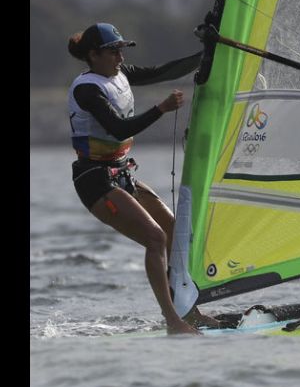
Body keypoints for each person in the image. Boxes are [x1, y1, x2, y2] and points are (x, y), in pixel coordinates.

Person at [67, 22, 218, 335]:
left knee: (175, 231)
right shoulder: (87, 89)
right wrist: (161, 109)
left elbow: (164, 71)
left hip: (121, 172)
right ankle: (172, 321)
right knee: (155, 238)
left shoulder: (120, 74)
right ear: (94, 55)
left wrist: (208, 50)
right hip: (94, 180)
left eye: (122, 50)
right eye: (113, 52)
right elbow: (118, 129)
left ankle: (190, 312)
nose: (120, 58)